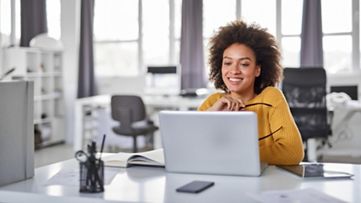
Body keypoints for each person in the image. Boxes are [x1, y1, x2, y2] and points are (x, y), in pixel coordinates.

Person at [198, 20, 304, 165]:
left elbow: (292, 152)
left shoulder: (271, 98)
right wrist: (210, 117)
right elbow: (192, 152)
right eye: (228, 63)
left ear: (257, 69)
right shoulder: (212, 103)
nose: (234, 70)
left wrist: (232, 154)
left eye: (244, 64)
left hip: (264, 184)